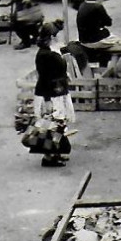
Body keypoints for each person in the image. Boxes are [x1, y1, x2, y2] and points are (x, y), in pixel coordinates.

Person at [28, 28, 74, 168]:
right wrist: (47, 100)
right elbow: (46, 77)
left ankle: (56, 153)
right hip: (51, 95)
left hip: (57, 92)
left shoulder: (49, 52)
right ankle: (49, 157)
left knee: (57, 125)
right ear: (52, 37)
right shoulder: (47, 55)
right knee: (51, 126)